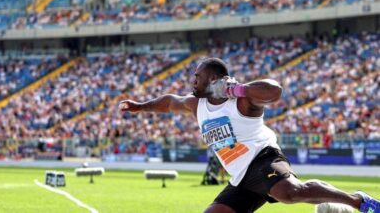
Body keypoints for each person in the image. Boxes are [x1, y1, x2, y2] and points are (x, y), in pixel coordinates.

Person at [119, 58, 379, 213]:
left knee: (288, 192)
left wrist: (238, 89)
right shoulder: (196, 104)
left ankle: (358, 201)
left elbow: (275, 91)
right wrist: (140, 107)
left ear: (213, 78)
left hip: (263, 158)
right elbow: (168, 102)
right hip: (241, 177)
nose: (192, 81)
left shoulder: (242, 102)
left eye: (197, 77)